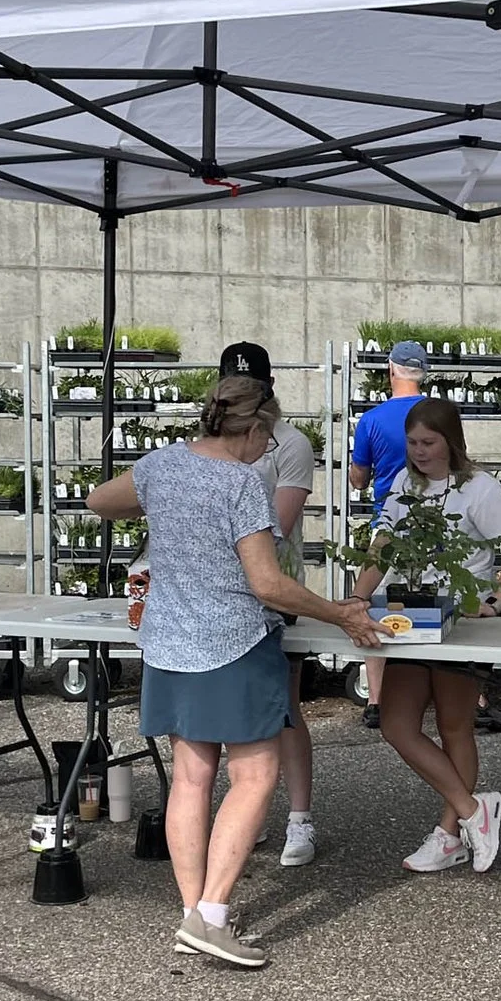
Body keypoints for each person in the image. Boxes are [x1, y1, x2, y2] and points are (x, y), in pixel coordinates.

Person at [85, 376, 379, 969]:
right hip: (233, 644)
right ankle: (212, 915)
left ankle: (194, 912)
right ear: (254, 429)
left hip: (167, 642)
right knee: (255, 775)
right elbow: (266, 584)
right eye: (266, 439)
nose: (265, 450)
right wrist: (339, 612)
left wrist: (164, 504)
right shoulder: (242, 483)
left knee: (191, 778)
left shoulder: (162, 465)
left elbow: (97, 501)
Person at [351, 396, 501, 874]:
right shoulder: (402, 485)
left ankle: (450, 832)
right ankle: (475, 809)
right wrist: (356, 598)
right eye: (412, 443)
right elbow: (381, 547)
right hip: (409, 620)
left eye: (429, 442)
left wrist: (496, 601)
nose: (420, 451)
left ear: (451, 441)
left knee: (455, 728)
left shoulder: (480, 488)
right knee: (396, 726)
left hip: (461, 628)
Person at [215, 339, 321, 866]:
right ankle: (247, 812)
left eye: (252, 392)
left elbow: (279, 526)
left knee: (283, 706)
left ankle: (299, 818)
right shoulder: (205, 444)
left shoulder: (290, 445)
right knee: (230, 710)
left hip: (275, 587)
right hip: (217, 591)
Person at [348, 339, 429, 728]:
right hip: (437, 520)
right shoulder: (439, 415)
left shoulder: (372, 420)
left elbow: (359, 479)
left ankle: (376, 701)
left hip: (388, 520)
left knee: (374, 605)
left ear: (391, 371)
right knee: (443, 601)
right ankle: (475, 699)